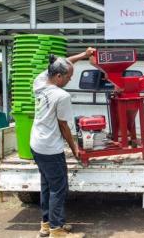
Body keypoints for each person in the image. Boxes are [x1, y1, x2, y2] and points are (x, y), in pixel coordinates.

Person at [30, 47, 95, 238]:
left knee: (46, 185)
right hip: (50, 148)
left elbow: (64, 62)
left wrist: (83, 55)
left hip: (36, 144)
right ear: (58, 76)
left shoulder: (40, 82)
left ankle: (46, 224)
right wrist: (75, 149)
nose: (69, 80)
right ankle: (56, 231)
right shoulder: (61, 96)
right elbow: (64, 127)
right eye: (68, 77)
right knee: (59, 188)